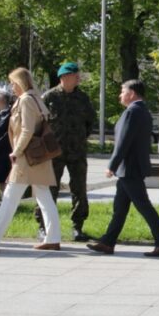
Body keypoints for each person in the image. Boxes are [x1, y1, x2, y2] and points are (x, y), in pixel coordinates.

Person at [0, 68, 61, 251]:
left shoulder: (27, 99)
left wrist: (16, 152)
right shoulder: (35, 97)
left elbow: (27, 130)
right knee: (43, 198)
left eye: (13, 82)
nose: (11, 86)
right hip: (36, 157)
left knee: (11, 197)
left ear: (20, 82)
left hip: (27, 157)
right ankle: (52, 238)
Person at [87, 79, 159, 257]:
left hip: (129, 168)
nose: (120, 95)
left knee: (144, 206)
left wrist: (112, 165)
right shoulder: (142, 111)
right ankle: (107, 242)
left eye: (122, 91)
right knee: (120, 208)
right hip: (131, 168)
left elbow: (123, 142)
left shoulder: (132, 112)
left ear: (132, 93)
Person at [36, 62, 97, 241]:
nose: (78, 77)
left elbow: (90, 122)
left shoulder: (83, 98)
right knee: (49, 189)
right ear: (64, 77)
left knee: (79, 189)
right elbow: (40, 124)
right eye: (74, 74)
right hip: (54, 152)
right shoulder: (49, 97)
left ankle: (77, 227)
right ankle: (43, 227)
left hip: (77, 151)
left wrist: (79, 138)